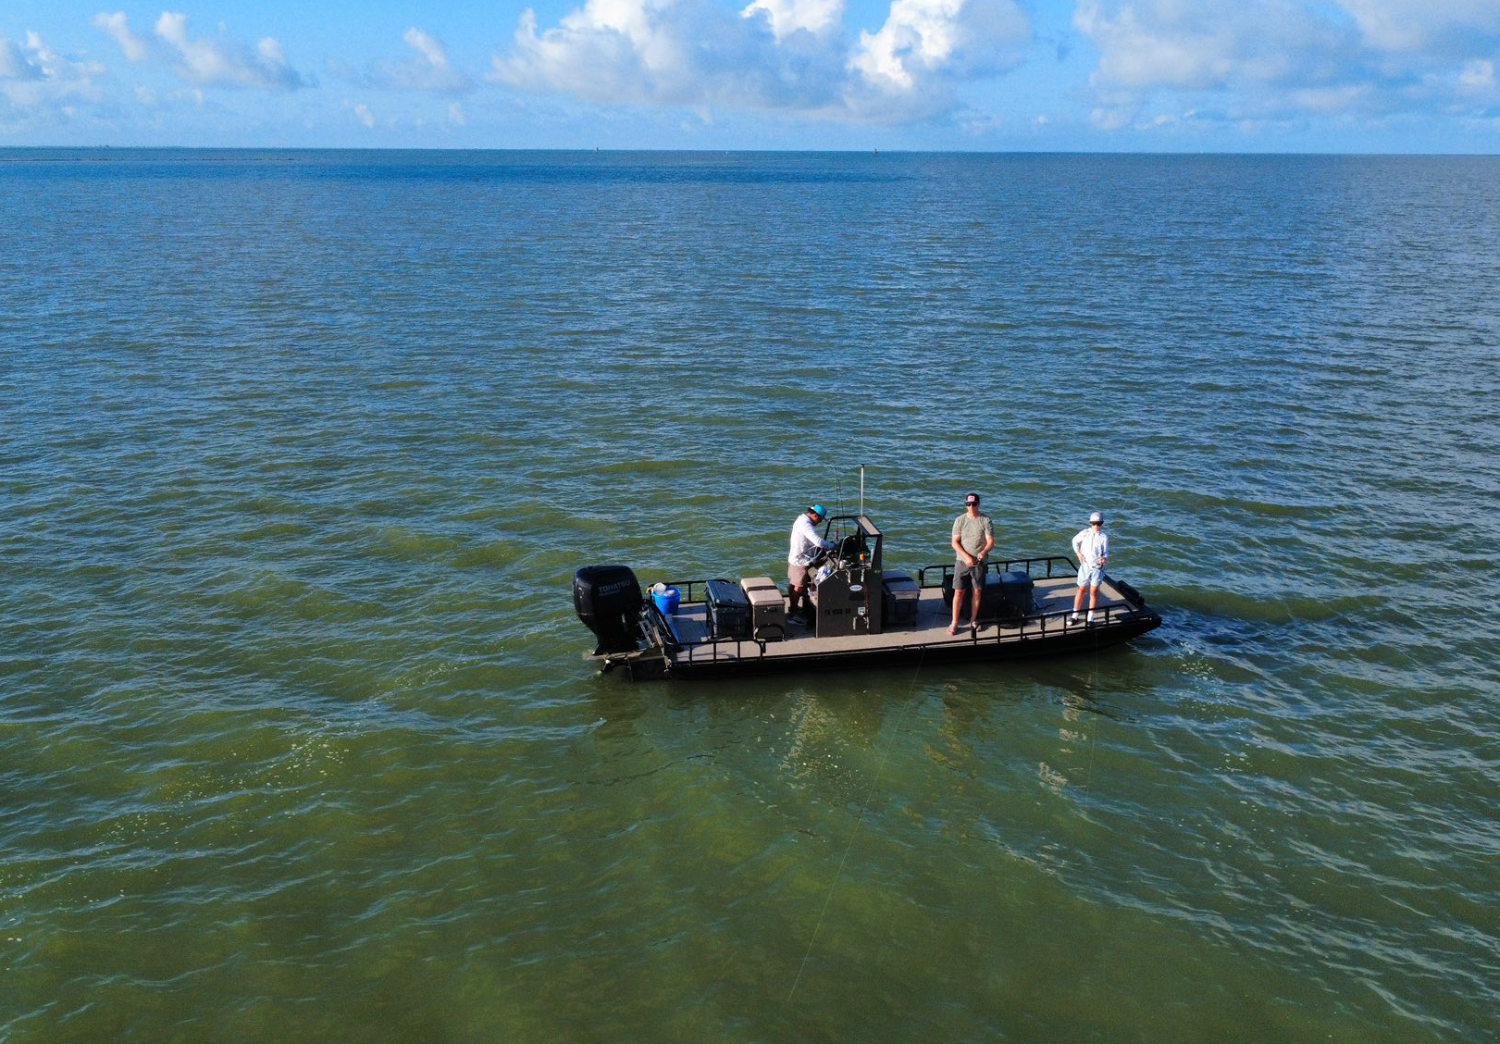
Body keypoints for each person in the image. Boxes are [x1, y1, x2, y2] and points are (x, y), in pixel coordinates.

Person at [950, 493, 995, 635]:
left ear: (979, 504)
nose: (971, 507)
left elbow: (990, 542)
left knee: (977, 591)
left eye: (974, 504)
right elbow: (955, 542)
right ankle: (954, 622)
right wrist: (966, 557)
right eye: (968, 504)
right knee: (958, 592)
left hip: (979, 563)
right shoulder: (960, 520)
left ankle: (973, 619)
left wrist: (984, 552)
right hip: (962, 562)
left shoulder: (985, 520)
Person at [787, 503, 834, 623]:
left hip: (795, 557)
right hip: (800, 561)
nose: (820, 523)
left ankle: (794, 607)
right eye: (820, 519)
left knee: (793, 584)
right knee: (798, 586)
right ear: (815, 515)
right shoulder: (806, 525)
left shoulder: (801, 519)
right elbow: (818, 541)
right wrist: (832, 546)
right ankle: (792, 614)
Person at [1070, 511, 1109, 624]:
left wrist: (1104, 558)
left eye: (1098, 524)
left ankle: (1090, 617)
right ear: (1091, 523)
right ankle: (1075, 615)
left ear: (1101, 524)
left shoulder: (1104, 537)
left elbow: (1105, 552)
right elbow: (1074, 541)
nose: (1096, 526)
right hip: (1085, 566)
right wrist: (1078, 553)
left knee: (1093, 591)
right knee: (1081, 589)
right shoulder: (1084, 533)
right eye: (1094, 523)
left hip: (1097, 567)